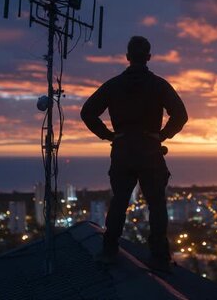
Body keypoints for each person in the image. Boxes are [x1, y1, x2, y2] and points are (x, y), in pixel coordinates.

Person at [80, 35, 188, 272]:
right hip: (149, 151)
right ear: (148, 57)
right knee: (157, 204)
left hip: (123, 151)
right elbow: (181, 115)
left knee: (119, 201)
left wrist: (109, 136)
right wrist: (161, 135)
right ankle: (159, 257)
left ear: (128, 57)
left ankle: (109, 250)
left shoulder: (114, 85)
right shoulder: (159, 85)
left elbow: (87, 112)